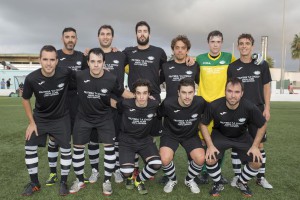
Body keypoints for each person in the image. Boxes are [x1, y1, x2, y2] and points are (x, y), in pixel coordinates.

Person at [69, 48, 134, 196]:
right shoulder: (79, 76)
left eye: (99, 62)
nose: (96, 65)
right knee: (78, 148)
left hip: (104, 118)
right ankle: (79, 180)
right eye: (93, 61)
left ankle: (106, 181)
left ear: (104, 63)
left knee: (109, 149)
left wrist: (139, 97)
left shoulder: (111, 78)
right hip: (83, 118)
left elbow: (122, 93)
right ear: (88, 63)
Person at [200, 78, 267, 197]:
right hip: (220, 135)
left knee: (257, 162)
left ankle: (242, 182)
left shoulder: (249, 107)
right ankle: (218, 182)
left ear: (242, 93)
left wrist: (255, 146)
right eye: (229, 91)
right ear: (225, 91)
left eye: (236, 92)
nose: (232, 95)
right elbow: (203, 124)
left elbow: (262, 124)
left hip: (241, 136)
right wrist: (209, 145)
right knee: (210, 158)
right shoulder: (214, 105)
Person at [21, 45, 73, 196]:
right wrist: (31, 122)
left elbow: (84, 76)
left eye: (52, 59)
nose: (49, 63)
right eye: (45, 59)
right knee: (29, 145)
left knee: (65, 149)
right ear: (40, 60)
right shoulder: (31, 78)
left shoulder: (65, 73)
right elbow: (25, 99)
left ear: (57, 61)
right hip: (40, 119)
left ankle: (63, 181)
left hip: (61, 118)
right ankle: (34, 183)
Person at [227, 33, 273, 189]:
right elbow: (230, 90)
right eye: (241, 43)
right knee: (236, 144)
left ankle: (260, 178)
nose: (244, 46)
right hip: (238, 111)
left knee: (259, 145)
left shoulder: (261, 64)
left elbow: (266, 86)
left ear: (252, 46)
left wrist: (267, 107)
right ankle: (236, 177)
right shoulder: (233, 67)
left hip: (257, 110)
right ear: (238, 46)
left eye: (247, 43)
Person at [45, 27, 89, 187]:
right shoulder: (55, 56)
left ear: (76, 39)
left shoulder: (81, 57)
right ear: (62, 38)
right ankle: (52, 173)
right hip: (59, 103)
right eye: (67, 37)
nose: (70, 39)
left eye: (73, 37)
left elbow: (88, 75)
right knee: (54, 139)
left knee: (78, 140)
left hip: (78, 103)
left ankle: (79, 171)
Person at [86, 25, 127, 185]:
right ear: (98, 37)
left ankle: (115, 169)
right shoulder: (91, 56)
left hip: (116, 105)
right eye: (102, 34)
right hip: (95, 105)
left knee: (115, 140)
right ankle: (95, 170)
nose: (105, 37)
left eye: (108, 34)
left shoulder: (121, 55)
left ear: (112, 37)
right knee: (94, 141)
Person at [196, 30, 235, 184]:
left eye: (218, 42)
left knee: (221, 141)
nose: (215, 44)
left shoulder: (229, 58)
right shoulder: (200, 59)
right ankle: (205, 172)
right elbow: (189, 64)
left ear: (222, 43)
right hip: (205, 106)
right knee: (205, 140)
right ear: (208, 43)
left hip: (222, 106)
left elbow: (243, 65)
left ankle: (216, 172)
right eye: (213, 41)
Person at [114, 79, 162, 195]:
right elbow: (115, 105)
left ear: (149, 94)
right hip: (126, 141)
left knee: (156, 164)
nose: (141, 97)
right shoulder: (126, 103)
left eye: (145, 93)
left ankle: (138, 180)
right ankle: (129, 177)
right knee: (125, 172)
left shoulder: (154, 105)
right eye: (138, 93)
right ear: (134, 94)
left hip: (145, 140)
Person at [159, 78, 206, 194]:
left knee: (200, 158)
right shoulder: (168, 103)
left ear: (194, 92)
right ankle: (172, 179)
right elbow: (158, 114)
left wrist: (205, 137)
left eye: (190, 92)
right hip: (170, 135)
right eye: (184, 92)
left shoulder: (200, 102)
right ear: (178, 93)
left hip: (190, 135)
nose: (187, 96)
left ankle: (189, 180)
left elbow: (208, 115)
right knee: (164, 158)